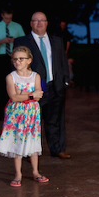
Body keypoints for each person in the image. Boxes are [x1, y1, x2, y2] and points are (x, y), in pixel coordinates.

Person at [14, 12, 71, 159]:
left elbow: (63, 62)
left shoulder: (57, 41)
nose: (39, 23)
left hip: (55, 88)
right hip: (33, 90)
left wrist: (65, 81)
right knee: (31, 122)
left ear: (47, 23)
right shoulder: (22, 42)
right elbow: (17, 65)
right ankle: (29, 153)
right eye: (35, 20)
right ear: (31, 23)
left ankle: (57, 149)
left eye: (42, 20)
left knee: (55, 121)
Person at [0, 46, 47, 187]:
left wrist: (22, 94)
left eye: (21, 59)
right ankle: (18, 173)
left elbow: (38, 96)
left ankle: (35, 172)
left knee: (33, 140)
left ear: (29, 60)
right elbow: (13, 97)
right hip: (16, 114)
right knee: (17, 141)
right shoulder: (11, 77)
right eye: (15, 59)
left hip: (31, 113)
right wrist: (29, 95)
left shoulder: (35, 76)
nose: (17, 61)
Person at [0, 9, 26, 120]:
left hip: (16, 57)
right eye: (6, 18)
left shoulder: (17, 27)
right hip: (2, 58)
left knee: (18, 84)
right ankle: (3, 113)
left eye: (10, 18)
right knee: (2, 86)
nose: (8, 21)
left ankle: (18, 112)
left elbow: (24, 40)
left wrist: (15, 40)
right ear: (2, 15)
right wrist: (2, 41)